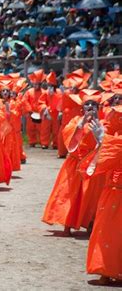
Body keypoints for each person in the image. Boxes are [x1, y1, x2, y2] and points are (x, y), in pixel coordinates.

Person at [42, 90, 106, 236]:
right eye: (87, 104)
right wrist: (80, 125)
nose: (91, 107)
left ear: (98, 108)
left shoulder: (102, 123)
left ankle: (90, 223)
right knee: (70, 194)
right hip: (75, 164)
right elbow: (68, 137)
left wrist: (99, 135)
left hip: (93, 165)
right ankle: (67, 224)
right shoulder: (75, 121)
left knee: (91, 196)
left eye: (94, 104)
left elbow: (104, 142)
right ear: (82, 108)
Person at [84, 114, 122, 285]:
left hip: (117, 192)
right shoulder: (118, 137)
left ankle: (107, 271)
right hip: (114, 191)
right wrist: (103, 142)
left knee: (108, 233)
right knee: (106, 232)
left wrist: (103, 140)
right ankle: (107, 270)